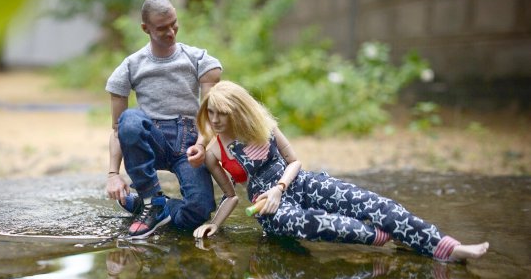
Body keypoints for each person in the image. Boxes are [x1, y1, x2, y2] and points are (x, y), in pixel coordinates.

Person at [192, 81, 490, 262]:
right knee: (313, 223)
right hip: (267, 207)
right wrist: (215, 224)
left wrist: (280, 186)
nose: (216, 119)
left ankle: (447, 247)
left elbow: (295, 161)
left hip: (298, 184)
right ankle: (382, 236)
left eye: (223, 113)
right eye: (212, 113)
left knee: (371, 203)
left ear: (238, 110)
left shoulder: (264, 128)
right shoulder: (214, 152)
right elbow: (230, 197)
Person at [105, 0, 222, 239]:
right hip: (151, 138)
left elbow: (209, 113)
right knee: (130, 120)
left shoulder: (197, 59)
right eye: (162, 28)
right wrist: (113, 175)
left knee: (199, 210)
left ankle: (150, 206)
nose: (171, 32)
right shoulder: (130, 66)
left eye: (174, 24)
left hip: (188, 142)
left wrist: (201, 144)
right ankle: (152, 200)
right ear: (145, 28)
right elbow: (118, 129)